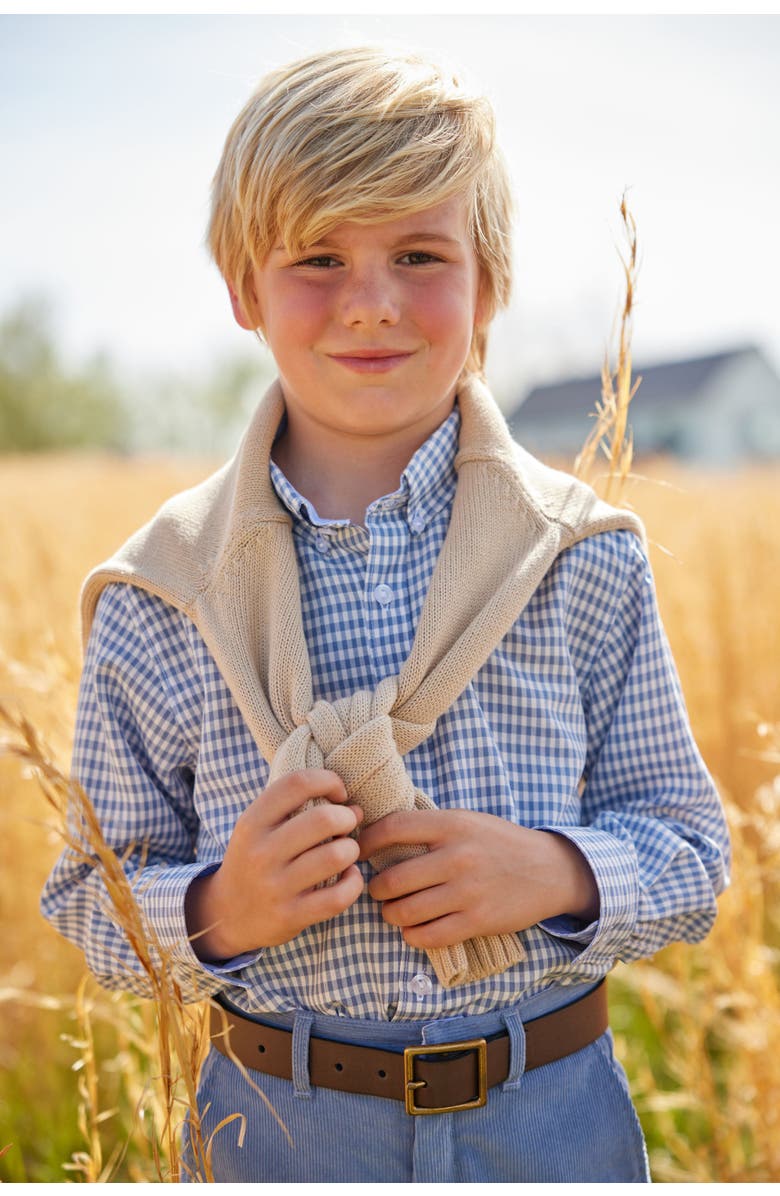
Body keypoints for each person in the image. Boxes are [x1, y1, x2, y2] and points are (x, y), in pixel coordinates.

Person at [42, 45, 730, 1183]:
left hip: (551, 1113)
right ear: (242, 287)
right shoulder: (160, 590)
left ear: (488, 283)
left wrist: (559, 871)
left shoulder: (581, 556)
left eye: (421, 254)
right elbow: (90, 894)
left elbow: (694, 848)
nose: (371, 301)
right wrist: (221, 904)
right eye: (318, 256)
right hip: (277, 1119)